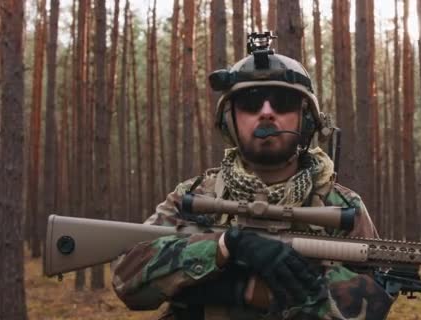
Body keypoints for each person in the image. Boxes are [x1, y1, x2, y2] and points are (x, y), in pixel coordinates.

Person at [112, 33, 395, 320]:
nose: (267, 113)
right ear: (230, 120)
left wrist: (254, 290)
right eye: (251, 102)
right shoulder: (193, 197)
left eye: (283, 102)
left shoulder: (342, 207)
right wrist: (224, 247)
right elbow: (127, 279)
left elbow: (373, 301)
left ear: (306, 118)